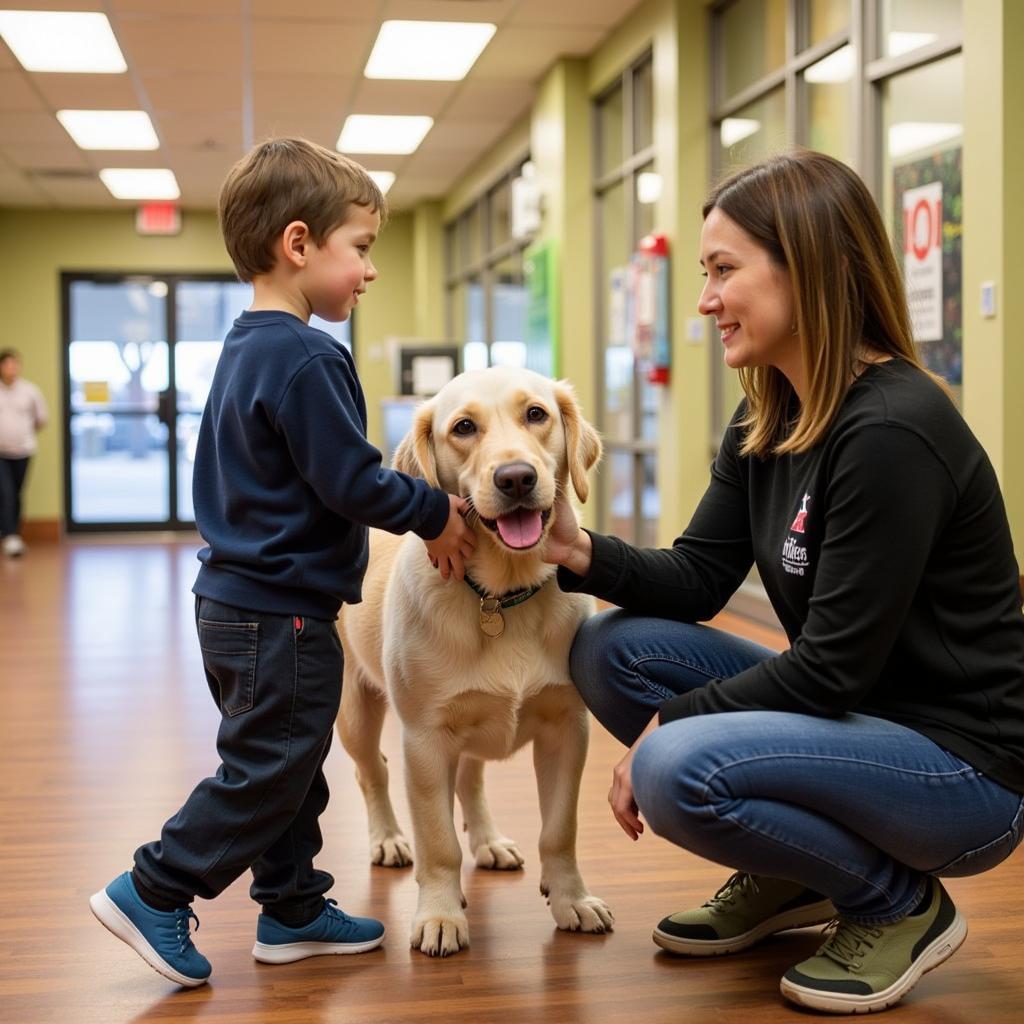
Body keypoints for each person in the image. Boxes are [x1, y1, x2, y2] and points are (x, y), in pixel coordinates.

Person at [543, 149, 1024, 1015]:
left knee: (676, 767)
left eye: (724, 271)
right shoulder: (769, 411)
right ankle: (789, 871)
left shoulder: (892, 431)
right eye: (703, 272)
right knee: (609, 647)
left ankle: (896, 902)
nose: (704, 300)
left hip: (963, 771)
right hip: (861, 720)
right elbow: (696, 579)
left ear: (809, 269)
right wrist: (579, 551)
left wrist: (668, 727)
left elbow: (830, 668)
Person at [89, 137, 476, 988]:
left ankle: (293, 906)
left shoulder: (245, 347)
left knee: (292, 765)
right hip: (283, 612)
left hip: (233, 603)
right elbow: (353, 483)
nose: (368, 271)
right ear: (299, 245)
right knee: (269, 769)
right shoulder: (307, 356)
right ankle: (154, 887)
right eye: (361, 248)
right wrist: (437, 514)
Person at [0, 348, 47, 557]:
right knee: (5, 493)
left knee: (17, 493)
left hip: (23, 451)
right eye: (7, 364)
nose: (12, 368)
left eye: (15, 364)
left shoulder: (30, 391)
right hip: (0, 452)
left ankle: (13, 534)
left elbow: (41, 419)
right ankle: (9, 536)